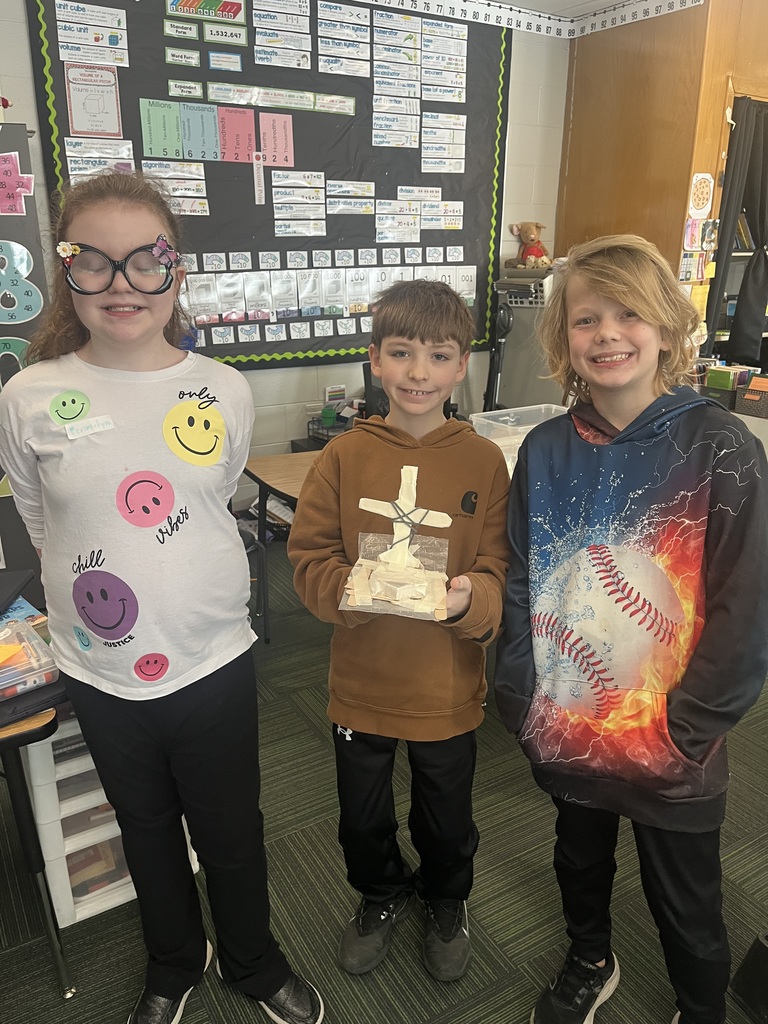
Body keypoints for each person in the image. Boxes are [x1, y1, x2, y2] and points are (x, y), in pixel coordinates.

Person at [0, 172, 323, 1024]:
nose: (121, 285)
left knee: (230, 830)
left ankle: (253, 961)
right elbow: (40, 519)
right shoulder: (29, 395)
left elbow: (212, 499)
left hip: (212, 655)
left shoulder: (221, 388)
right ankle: (175, 960)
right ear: (66, 271)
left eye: (146, 261)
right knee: (142, 826)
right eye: (93, 262)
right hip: (102, 668)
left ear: (176, 270)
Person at [494, 234, 768, 1024]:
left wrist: (687, 727)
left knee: (685, 893)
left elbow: (747, 604)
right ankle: (590, 957)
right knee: (578, 857)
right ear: (564, 341)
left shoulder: (720, 444)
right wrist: (520, 691)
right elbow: (520, 575)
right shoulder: (544, 450)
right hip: (569, 718)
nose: (608, 334)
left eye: (629, 314)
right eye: (587, 319)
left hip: (675, 737)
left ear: (666, 328)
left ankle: (700, 1002)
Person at [288, 279, 511, 983]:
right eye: (402, 352)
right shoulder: (343, 457)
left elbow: (497, 573)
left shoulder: (483, 462)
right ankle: (381, 892)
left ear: (461, 364)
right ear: (376, 360)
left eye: (440, 355)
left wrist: (466, 599)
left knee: (447, 818)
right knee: (361, 817)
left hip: (444, 687)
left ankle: (446, 900)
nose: (420, 372)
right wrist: (352, 587)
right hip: (361, 683)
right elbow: (308, 557)